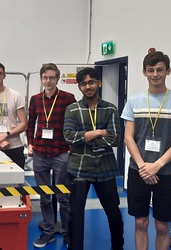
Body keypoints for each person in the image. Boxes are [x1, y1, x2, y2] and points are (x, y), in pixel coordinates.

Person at [121, 50, 171, 250]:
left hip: (166, 172)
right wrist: (143, 167)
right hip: (138, 171)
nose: (155, 74)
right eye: (151, 70)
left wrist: (156, 165)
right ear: (144, 73)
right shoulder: (134, 101)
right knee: (140, 222)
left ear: (168, 71)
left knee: (162, 225)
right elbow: (128, 137)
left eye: (160, 70)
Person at [64, 67, 124, 250]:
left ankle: (117, 246)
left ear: (99, 83)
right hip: (79, 169)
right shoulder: (72, 109)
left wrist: (85, 140)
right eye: (83, 83)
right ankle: (74, 246)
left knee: (114, 214)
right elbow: (68, 136)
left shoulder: (110, 109)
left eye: (91, 82)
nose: (88, 86)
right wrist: (98, 132)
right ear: (79, 87)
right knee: (74, 214)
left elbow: (114, 138)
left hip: (105, 170)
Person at [27, 63, 75, 248]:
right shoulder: (35, 99)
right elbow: (32, 124)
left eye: (52, 77)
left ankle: (67, 232)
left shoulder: (67, 98)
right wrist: (30, 143)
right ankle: (48, 232)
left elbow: (73, 124)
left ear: (57, 79)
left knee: (63, 196)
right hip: (40, 153)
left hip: (61, 152)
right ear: (41, 79)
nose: (48, 81)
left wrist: (70, 148)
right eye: (45, 77)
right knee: (45, 196)